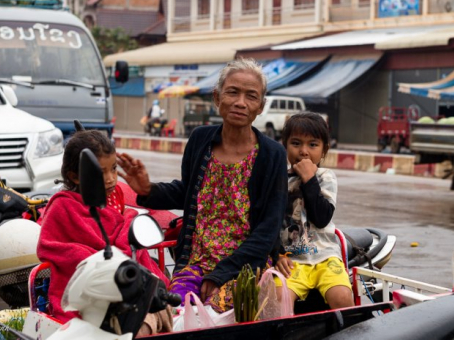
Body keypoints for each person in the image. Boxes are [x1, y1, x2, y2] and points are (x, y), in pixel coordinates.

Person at [119, 58, 287, 313]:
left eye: (251, 96)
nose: (241, 102)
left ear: (260, 106)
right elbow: (189, 192)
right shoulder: (200, 140)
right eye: (233, 92)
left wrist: (220, 274)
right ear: (217, 97)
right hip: (195, 262)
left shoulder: (272, 154)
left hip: (245, 266)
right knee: (171, 312)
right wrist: (148, 190)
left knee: (212, 315)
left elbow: (268, 230)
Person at [36, 130, 172, 336]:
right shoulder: (63, 206)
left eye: (114, 169)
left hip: (127, 284)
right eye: (100, 173)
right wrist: (102, 262)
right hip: (89, 294)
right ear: (74, 176)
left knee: (154, 308)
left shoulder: (114, 196)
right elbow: (50, 245)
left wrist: (127, 228)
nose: (110, 179)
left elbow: (120, 228)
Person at [274, 112, 354, 310]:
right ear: (285, 146)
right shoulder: (277, 180)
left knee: (342, 297)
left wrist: (310, 179)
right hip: (291, 260)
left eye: (312, 144)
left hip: (325, 257)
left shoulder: (326, 177)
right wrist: (276, 255)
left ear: (324, 150)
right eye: (296, 143)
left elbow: (322, 217)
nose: (304, 151)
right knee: (277, 300)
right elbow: (270, 221)